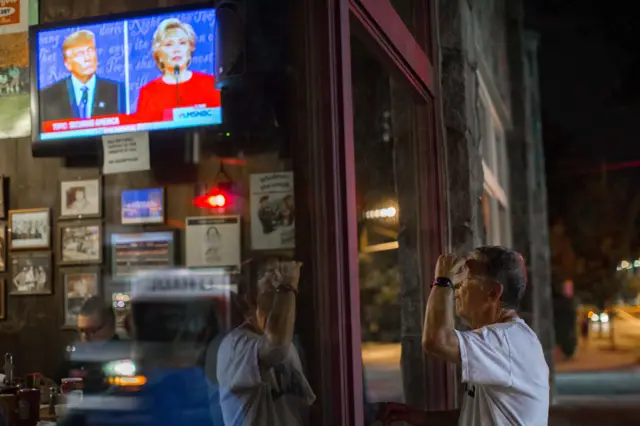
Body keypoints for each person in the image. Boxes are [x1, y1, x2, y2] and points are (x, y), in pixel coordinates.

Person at [382, 246, 549, 425]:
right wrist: (422, 418)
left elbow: (437, 341)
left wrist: (443, 281)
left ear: (493, 293)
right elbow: (477, 416)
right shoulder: (505, 340)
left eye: (466, 278)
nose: (458, 285)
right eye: (457, 278)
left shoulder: (506, 341)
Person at [217, 261, 315, 426]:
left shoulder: (289, 345)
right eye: (273, 288)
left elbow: (302, 406)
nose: (284, 301)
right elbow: (275, 346)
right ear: (251, 299)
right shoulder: (235, 347)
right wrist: (286, 287)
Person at [135, 18, 221, 122]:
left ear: (190, 49)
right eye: (169, 45)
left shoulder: (210, 84)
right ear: (159, 55)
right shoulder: (148, 93)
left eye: (182, 43)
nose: (177, 49)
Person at [40, 30, 125, 123]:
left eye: (90, 50)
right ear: (67, 63)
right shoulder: (48, 96)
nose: (87, 58)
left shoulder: (117, 91)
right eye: (80, 54)